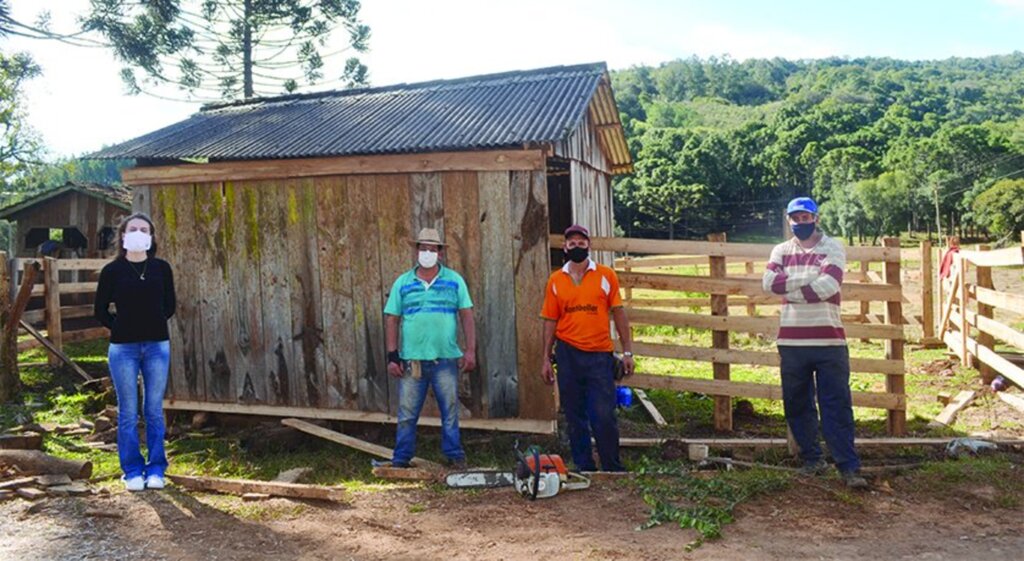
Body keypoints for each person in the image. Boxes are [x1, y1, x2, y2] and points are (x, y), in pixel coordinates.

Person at [762, 197, 868, 489]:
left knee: (837, 404)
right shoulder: (781, 249)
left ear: (816, 218)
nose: (801, 223)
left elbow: (829, 285)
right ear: (788, 220)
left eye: (806, 218)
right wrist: (809, 279)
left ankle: (848, 466)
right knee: (797, 404)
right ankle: (813, 460)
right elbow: (768, 283)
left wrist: (791, 284)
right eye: (795, 219)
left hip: (829, 341)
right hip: (791, 341)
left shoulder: (832, 247)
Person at [540, 225, 634, 472]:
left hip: (599, 356)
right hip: (568, 354)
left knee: (603, 414)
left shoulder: (606, 276)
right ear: (565, 247)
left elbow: (619, 314)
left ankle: (612, 466)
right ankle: (584, 466)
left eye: (582, 243)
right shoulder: (556, 280)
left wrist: (627, 352)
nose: (577, 247)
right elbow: (550, 320)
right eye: (572, 243)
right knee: (574, 415)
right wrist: (546, 358)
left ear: (589, 246)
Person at [94, 212, 176, 492]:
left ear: (151, 237)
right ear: (123, 236)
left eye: (144, 229)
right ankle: (131, 470)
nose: (139, 232)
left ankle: (156, 468)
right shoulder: (112, 271)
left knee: (153, 410)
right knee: (128, 411)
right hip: (123, 349)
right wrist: (121, 327)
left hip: (157, 347)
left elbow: (170, 305)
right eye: (134, 229)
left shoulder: (161, 268)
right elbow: (100, 310)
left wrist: (151, 323)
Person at [384, 227, 476, 469]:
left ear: (440, 253)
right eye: (423, 248)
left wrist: (470, 350)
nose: (427, 252)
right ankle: (401, 459)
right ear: (416, 251)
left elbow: (466, 315)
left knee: (450, 411)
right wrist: (393, 356)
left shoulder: (454, 281)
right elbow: (392, 318)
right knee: (406, 413)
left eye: (432, 249)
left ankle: (454, 455)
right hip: (411, 359)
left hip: (445, 358)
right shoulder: (403, 283)